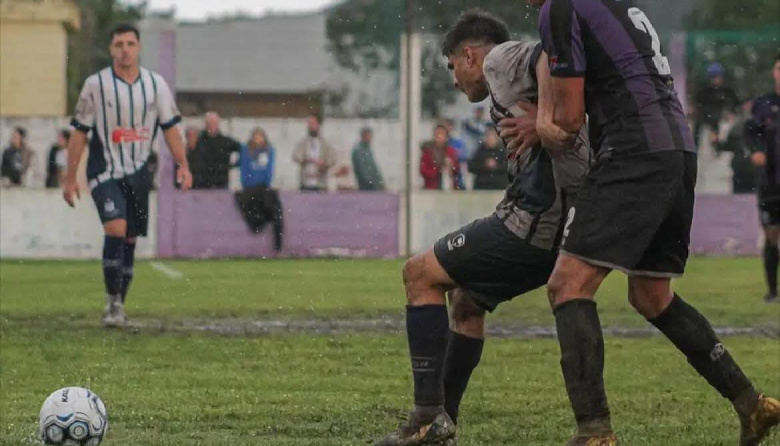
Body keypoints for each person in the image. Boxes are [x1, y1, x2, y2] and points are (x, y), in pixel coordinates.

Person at [534, 1, 780, 445]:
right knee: (651, 295)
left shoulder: (561, 6)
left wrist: (539, 125)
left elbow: (568, 121)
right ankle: (752, 404)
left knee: (567, 285)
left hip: (634, 150)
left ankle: (594, 431)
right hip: (676, 149)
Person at [374, 10, 589, 445]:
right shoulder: (509, 83)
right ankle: (443, 423)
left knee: (418, 274)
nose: (455, 80)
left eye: (453, 65)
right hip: (556, 230)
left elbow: (548, 53)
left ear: (469, 56)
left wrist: (543, 119)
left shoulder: (499, 59)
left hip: (532, 223)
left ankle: (426, 419)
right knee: (467, 304)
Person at [63, 24, 193, 327]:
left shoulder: (156, 85)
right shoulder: (96, 85)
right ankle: (113, 303)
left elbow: (170, 128)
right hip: (104, 170)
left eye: (130, 44)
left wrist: (183, 165)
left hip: (138, 173)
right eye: (119, 44)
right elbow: (79, 133)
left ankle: (119, 302)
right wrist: (70, 178)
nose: (125, 50)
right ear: (111, 49)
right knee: (116, 228)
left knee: (130, 238)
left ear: (139, 48)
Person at [746, 53, 780, 304]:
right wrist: (755, 150)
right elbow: (751, 132)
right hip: (770, 183)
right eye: (779, 68)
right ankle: (772, 291)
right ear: (773, 72)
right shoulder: (763, 104)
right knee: (771, 235)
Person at [235, 127, 283, 251]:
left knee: (274, 210)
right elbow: (244, 169)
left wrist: (265, 183)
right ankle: (258, 224)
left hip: (263, 187)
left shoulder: (268, 151)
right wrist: (247, 184)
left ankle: (278, 245)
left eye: (260, 136)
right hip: (250, 188)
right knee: (248, 205)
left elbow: (269, 170)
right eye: (255, 136)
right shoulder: (246, 150)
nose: (257, 139)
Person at [693, 62, 740, 148]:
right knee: (700, 124)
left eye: (719, 77)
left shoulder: (726, 88)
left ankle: (718, 144)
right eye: (714, 78)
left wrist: (732, 112)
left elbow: (735, 101)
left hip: (719, 115)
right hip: (706, 114)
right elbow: (699, 103)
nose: (717, 80)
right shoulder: (704, 89)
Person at [190, 112, 240, 189]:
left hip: (221, 184)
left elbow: (244, 151)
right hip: (201, 185)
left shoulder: (226, 142)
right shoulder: (197, 141)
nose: (212, 125)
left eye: (214, 123)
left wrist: (233, 165)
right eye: (209, 123)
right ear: (206, 124)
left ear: (218, 124)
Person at [292, 113, 337, 192]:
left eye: (313, 123)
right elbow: (296, 156)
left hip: (320, 185)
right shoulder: (303, 143)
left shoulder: (325, 144)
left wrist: (324, 164)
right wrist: (308, 160)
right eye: (309, 123)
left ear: (318, 125)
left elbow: (332, 160)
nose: (311, 126)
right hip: (305, 184)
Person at [420, 125, 461, 191]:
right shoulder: (427, 152)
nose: (439, 136)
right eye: (438, 134)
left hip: (448, 187)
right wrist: (438, 171)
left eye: (442, 134)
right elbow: (423, 170)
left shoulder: (451, 152)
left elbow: (457, 169)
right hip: (432, 188)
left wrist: (451, 166)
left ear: (446, 136)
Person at [467, 125, 507, 190]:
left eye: (492, 136)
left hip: (500, 185)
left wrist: (496, 166)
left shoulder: (503, 151)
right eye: (488, 136)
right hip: (482, 185)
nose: (490, 138)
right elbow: (471, 167)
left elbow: (510, 167)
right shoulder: (480, 150)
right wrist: (484, 165)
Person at [351, 126, 385, 191]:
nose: (370, 138)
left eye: (371, 136)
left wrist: (381, 182)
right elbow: (363, 172)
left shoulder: (367, 149)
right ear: (362, 136)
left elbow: (374, 168)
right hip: (367, 186)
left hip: (373, 185)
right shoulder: (358, 150)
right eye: (368, 135)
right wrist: (374, 184)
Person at [444, 118, 468, 190]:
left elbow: (462, 155)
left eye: (450, 126)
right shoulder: (442, 142)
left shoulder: (458, 141)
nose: (448, 129)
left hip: (457, 171)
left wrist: (454, 157)